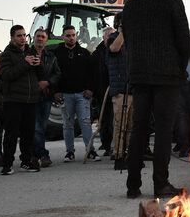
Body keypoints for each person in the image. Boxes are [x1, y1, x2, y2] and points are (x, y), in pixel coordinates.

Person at [122, 0, 190, 199]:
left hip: (139, 74)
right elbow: (184, 39)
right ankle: (161, 184)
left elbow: (128, 39)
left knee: (139, 128)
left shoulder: (131, 5)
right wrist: (181, 68)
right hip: (167, 75)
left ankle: (132, 184)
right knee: (163, 129)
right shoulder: (172, 0)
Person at [0, 24, 46, 174]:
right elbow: (7, 75)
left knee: (28, 133)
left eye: (24, 35)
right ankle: (7, 164)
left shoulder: (31, 51)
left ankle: (26, 161)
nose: (23, 38)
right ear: (12, 37)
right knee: (12, 134)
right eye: (19, 35)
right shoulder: (7, 54)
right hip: (13, 100)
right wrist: (24, 63)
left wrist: (39, 65)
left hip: (31, 99)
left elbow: (41, 75)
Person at [53, 25, 97, 162]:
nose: (71, 38)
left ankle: (90, 150)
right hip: (65, 95)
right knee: (67, 124)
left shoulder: (84, 53)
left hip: (82, 95)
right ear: (63, 37)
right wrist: (56, 91)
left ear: (76, 36)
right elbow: (54, 73)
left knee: (85, 122)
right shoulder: (57, 53)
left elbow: (91, 73)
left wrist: (90, 89)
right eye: (68, 35)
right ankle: (69, 151)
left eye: (73, 35)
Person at [29, 28, 61, 167]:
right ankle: (42, 154)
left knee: (41, 126)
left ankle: (34, 155)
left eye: (43, 37)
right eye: (38, 36)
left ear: (46, 40)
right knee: (36, 127)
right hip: (31, 95)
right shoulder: (27, 54)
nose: (40, 39)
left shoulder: (51, 57)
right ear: (34, 38)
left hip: (46, 96)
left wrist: (47, 82)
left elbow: (57, 73)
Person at [107, 16, 133, 167]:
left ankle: (129, 154)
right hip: (120, 90)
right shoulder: (113, 38)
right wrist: (123, 32)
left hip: (133, 89)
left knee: (131, 126)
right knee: (120, 125)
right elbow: (114, 49)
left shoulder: (132, 40)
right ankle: (118, 155)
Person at [91, 26, 115, 157]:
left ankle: (115, 146)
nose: (111, 38)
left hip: (116, 90)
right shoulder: (97, 54)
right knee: (105, 120)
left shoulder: (118, 50)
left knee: (115, 120)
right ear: (104, 37)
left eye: (113, 36)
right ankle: (107, 145)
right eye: (108, 36)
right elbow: (94, 75)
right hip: (102, 92)